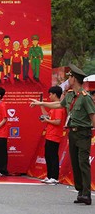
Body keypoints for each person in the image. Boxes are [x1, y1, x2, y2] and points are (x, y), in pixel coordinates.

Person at [31, 65, 95, 205]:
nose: (68, 79)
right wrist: (40, 103)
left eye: (70, 77)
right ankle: (80, 191)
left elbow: (92, 116)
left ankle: (86, 194)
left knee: (83, 163)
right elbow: (58, 105)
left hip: (83, 133)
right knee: (75, 163)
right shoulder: (70, 95)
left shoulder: (85, 97)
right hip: (72, 133)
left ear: (74, 79)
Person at [38, 86, 65, 185]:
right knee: (48, 155)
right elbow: (47, 116)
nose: (49, 96)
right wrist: (41, 105)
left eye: (50, 94)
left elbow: (58, 122)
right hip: (49, 134)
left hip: (55, 135)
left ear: (55, 94)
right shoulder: (53, 108)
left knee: (53, 156)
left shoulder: (58, 108)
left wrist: (47, 120)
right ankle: (49, 176)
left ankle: (54, 177)